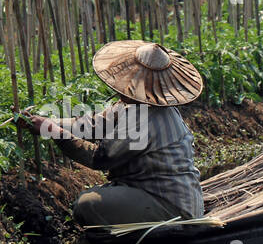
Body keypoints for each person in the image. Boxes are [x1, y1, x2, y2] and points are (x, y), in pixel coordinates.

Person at [15, 40, 205, 229]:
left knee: (86, 204)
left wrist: (54, 132)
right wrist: (45, 123)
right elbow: (93, 125)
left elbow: (98, 158)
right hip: (162, 195)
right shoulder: (133, 105)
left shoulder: (145, 118)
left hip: (173, 208)